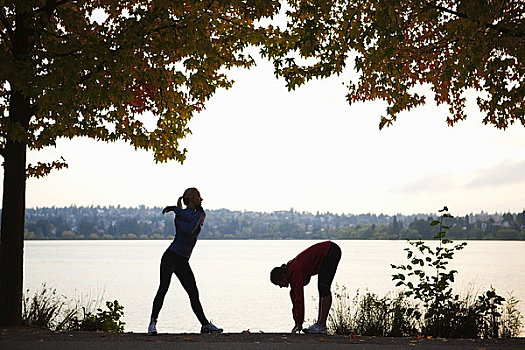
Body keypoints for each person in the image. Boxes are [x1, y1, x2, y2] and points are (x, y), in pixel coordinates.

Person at [148, 187, 222, 335]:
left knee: (193, 293)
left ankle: (205, 325)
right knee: (163, 289)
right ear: (192, 199)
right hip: (170, 257)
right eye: (199, 197)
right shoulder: (182, 215)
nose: (202, 200)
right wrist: (177, 210)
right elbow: (188, 230)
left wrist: (176, 209)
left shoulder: (199, 214)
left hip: (182, 260)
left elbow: (191, 224)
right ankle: (152, 323)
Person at [270, 240, 341, 334]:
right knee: (322, 288)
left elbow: (299, 298)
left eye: (279, 284)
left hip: (330, 251)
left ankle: (321, 325)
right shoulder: (292, 271)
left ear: (283, 276)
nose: (280, 287)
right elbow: (295, 296)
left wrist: (299, 323)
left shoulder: (294, 271)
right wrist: (297, 321)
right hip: (329, 250)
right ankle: (320, 324)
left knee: (324, 288)